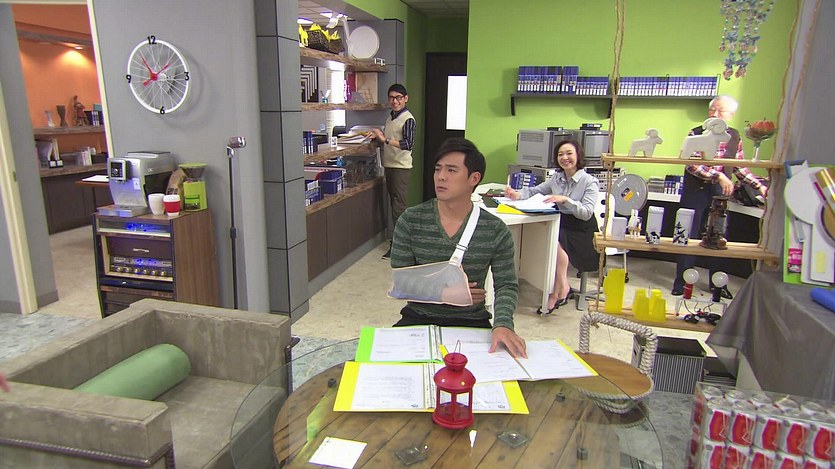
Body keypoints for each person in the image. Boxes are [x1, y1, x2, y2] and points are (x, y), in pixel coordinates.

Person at [390, 138, 527, 358]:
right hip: (418, 318)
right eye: (438, 169)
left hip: (471, 321)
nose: (441, 176)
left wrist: (503, 324)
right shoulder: (411, 220)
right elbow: (402, 282)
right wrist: (446, 293)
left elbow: (506, 285)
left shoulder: (495, 230)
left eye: (451, 170)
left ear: (474, 178)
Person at [671, 95, 768, 297]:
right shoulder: (696, 133)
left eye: (721, 111)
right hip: (694, 192)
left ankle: (718, 284)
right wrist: (719, 176)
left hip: (719, 195)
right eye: (712, 109)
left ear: (730, 115)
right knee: (687, 236)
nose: (715, 114)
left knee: (718, 237)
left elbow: (739, 167)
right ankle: (682, 282)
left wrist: (760, 187)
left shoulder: (735, 136)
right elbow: (691, 163)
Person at [505, 140, 600, 315]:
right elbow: (535, 191)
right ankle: (562, 288)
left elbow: (586, 213)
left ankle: (558, 292)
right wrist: (516, 194)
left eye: (569, 153)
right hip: (561, 222)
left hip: (582, 229)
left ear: (578, 155)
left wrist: (566, 200)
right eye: (560, 154)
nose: (565, 157)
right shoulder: (557, 178)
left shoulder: (589, 181)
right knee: (548, 238)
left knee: (554, 244)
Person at [371, 84, 416, 260]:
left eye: (398, 97)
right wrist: (377, 137)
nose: (395, 101)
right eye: (391, 98)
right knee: (395, 206)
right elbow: (390, 137)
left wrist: (385, 139)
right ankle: (400, 243)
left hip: (400, 168)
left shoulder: (408, 119)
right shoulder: (391, 116)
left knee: (398, 208)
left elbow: (408, 144)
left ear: (406, 98)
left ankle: (399, 247)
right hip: (390, 165)